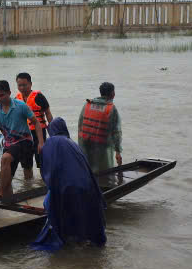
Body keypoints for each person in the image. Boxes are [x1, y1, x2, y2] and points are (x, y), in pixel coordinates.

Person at [31, 118, 106, 251]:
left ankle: (65, 237)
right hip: (88, 187)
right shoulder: (73, 144)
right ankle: (85, 240)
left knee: (49, 204)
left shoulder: (50, 143)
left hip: (66, 188)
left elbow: (47, 171)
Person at [0, 79, 40, 199]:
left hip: (25, 142)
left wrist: (40, 143)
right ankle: (8, 198)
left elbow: (36, 123)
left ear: (9, 93)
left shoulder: (21, 106)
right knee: (8, 173)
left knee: (27, 172)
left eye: (2, 95)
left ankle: (22, 193)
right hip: (10, 144)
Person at [14, 72, 53, 180]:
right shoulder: (16, 99)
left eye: (24, 85)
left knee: (41, 161)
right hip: (24, 135)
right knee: (26, 163)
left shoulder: (38, 96)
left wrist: (53, 132)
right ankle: (28, 186)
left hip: (38, 133)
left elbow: (48, 113)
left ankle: (44, 184)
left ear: (30, 84)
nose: (22, 87)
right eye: (19, 85)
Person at [77, 81, 123, 173]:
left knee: (88, 171)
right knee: (104, 175)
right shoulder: (111, 109)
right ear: (112, 94)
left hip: (85, 145)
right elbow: (116, 132)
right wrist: (118, 152)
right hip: (102, 148)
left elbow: (80, 125)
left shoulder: (87, 105)